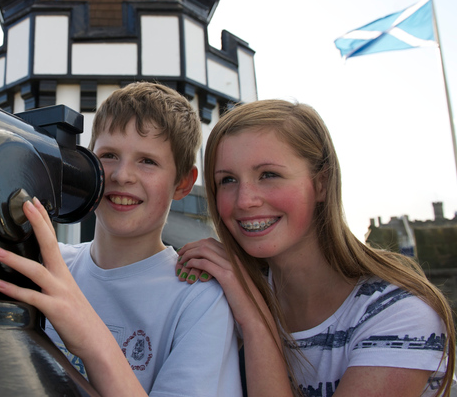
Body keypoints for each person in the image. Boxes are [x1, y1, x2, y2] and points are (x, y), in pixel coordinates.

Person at [175, 99, 455, 397]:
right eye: (227, 180)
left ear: (321, 184)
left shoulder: (399, 315)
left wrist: (256, 321)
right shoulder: (219, 297)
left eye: (269, 175)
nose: (245, 200)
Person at [0, 82, 243, 397]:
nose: (122, 175)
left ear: (182, 183)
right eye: (109, 155)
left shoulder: (198, 298)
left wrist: (91, 338)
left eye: (147, 161)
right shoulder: (46, 267)